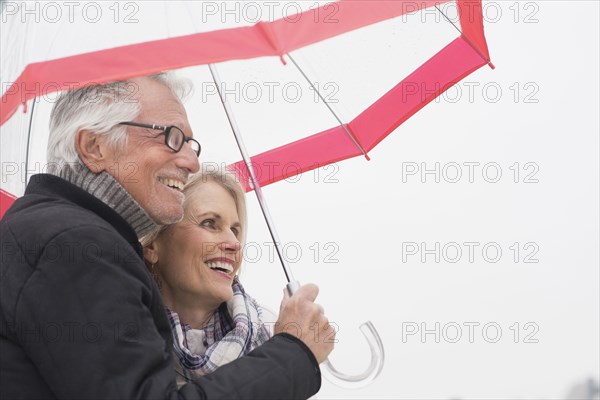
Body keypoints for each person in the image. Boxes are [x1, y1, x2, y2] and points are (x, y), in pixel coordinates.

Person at [0, 73, 335, 399]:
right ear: (94, 146)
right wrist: (294, 353)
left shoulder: (53, 230)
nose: (191, 161)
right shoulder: (79, 244)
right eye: (172, 136)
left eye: (191, 144)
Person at [141, 170, 274, 384]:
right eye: (209, 223)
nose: (234, 244)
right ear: (152, 243)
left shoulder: (275, 335)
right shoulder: (119, 342)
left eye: (235, 230)